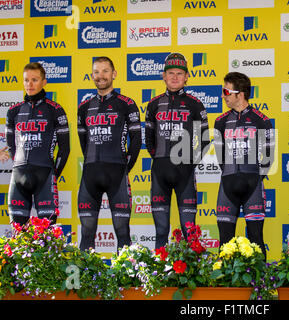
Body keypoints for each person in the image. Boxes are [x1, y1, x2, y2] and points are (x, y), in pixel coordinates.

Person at [145, 53, 210, 249]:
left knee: (190, 232)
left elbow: (205, 138)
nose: (175, 77)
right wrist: (159, 157)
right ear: (163, 76)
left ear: (186, 77)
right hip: (160, 172)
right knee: (161, 230)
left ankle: (192, 276)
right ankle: (158, 277)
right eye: (170, 73)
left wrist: (191, 161)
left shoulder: (195, 104)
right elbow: (148, 139)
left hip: (185, 173)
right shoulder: (154, 104)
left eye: (179, 73)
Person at [77, 56, 141, 252]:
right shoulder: (84, 107)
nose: (100, 76)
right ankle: (84, 279)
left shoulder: (126, 104)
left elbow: (136, 141)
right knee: (87, 232)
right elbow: (83, 143)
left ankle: (126, 279)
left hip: (117, 173)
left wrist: (124, 166)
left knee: (122, 231)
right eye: (96, 72)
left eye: (105, 71)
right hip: (90, 174)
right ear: (92, 75)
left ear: (114, 74)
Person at [214, 72, 274, 258]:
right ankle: (224, 285)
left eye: (226, 91)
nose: (222, 95)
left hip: (253, 186)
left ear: (239, 94)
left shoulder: (261, 120)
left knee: (256, 238)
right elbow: (220, 156)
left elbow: (269, 156)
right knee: (225, 241)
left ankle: (262, 286)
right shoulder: (220, 121)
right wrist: (231, 175)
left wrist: (256, 178)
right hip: (227, 185)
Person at [6, 62, 70, 226]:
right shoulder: (13, 111)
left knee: (47, 235)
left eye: (35, 80)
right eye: (26, 80)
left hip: (45, 175)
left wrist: (54, 174)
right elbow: (11, 145)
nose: (30, 84)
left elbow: (65, 148)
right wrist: (18, 166)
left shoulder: (55, 110)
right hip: (19, 175)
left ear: (44, 82)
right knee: (17, 236)